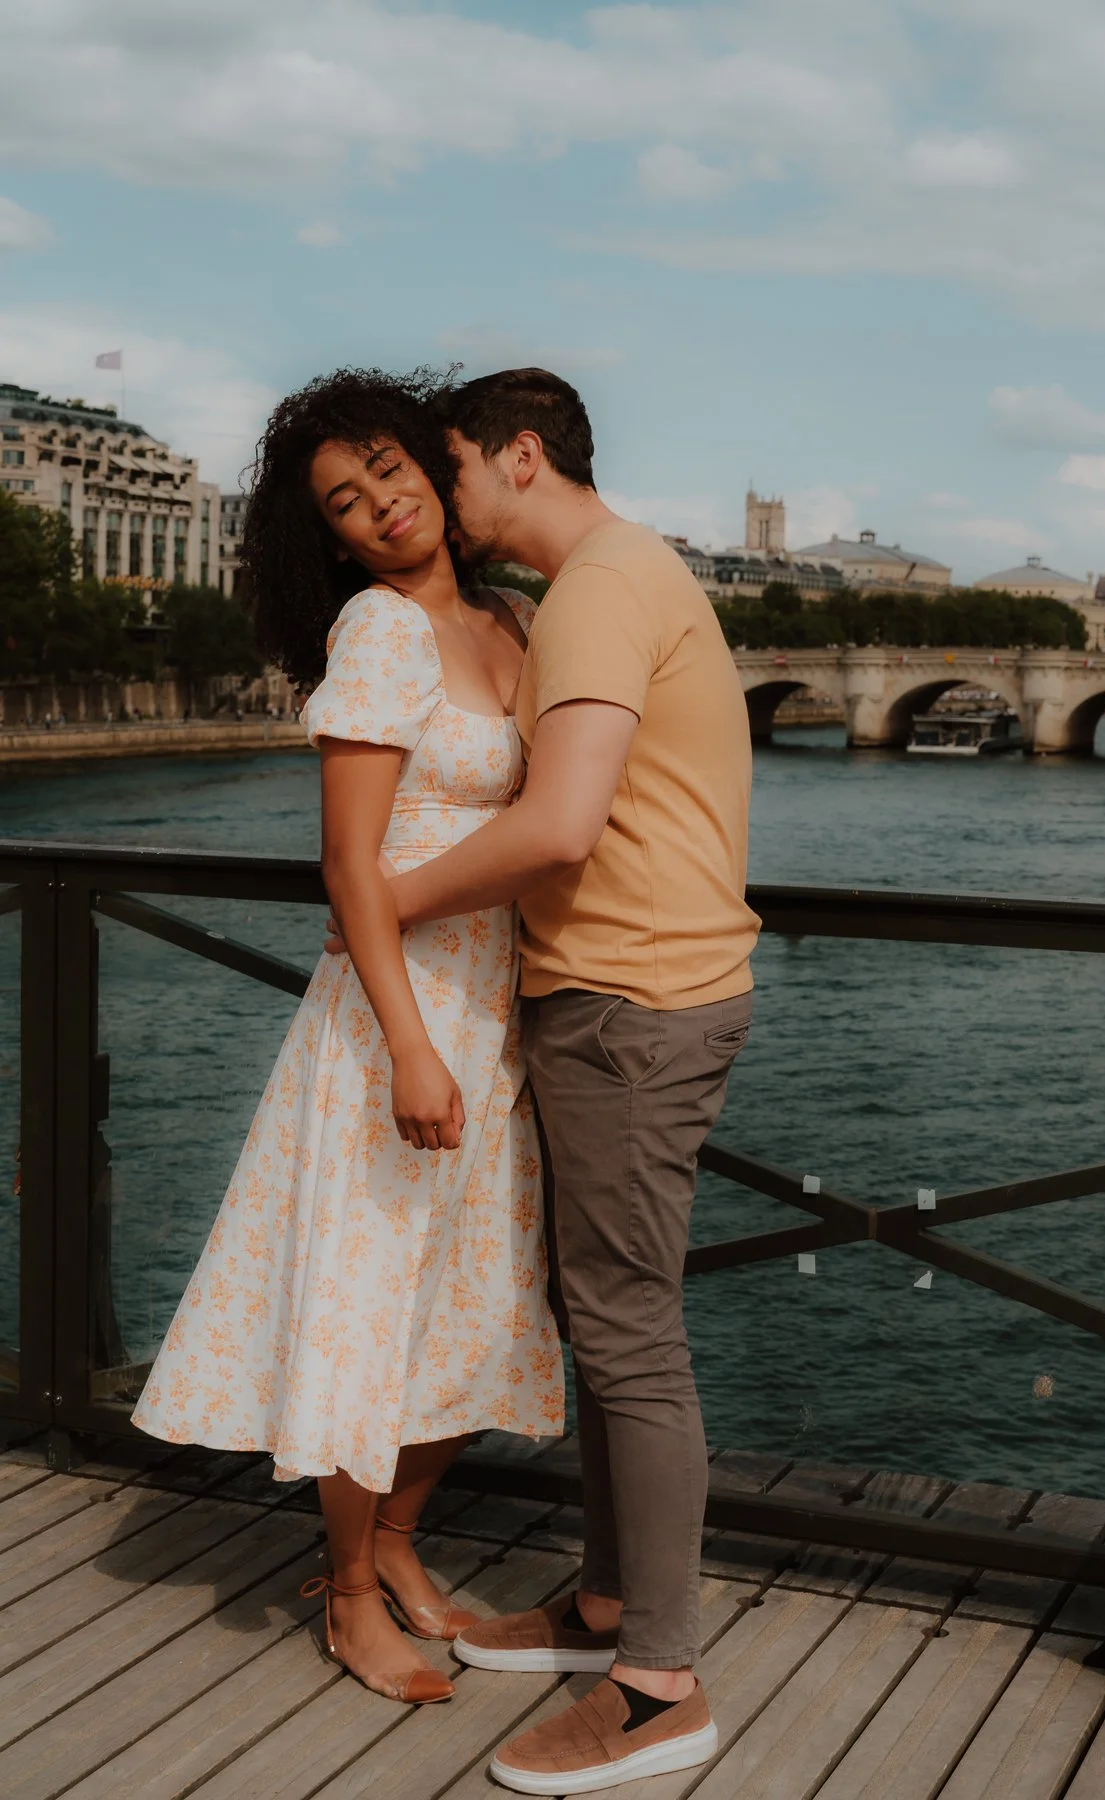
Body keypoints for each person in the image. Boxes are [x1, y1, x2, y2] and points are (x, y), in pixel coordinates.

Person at [132, 368, 564, 1707]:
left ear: (434, 465)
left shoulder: (511, 621)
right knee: (370, 1311)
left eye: (386, 469)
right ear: (331, 541)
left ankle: (393, 1546)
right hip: (401, 1020)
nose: (378, 506)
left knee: (466, 1305)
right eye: (343, 502)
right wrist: (412, 1049)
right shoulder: (380, 633)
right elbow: (350, 865)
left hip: (495, 1004)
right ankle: (349, 1594)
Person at [353, 368, 759, 1792]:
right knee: (606, 1318)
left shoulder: (592, 588)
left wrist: (384, 900)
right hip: (651, 992)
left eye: (450, 470)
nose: (443, 502)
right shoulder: (631, 574)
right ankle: (606, 1611)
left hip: (628, 1002)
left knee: (632, 1338)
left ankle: (657, 1686)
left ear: (518, 457)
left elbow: (562, 821)